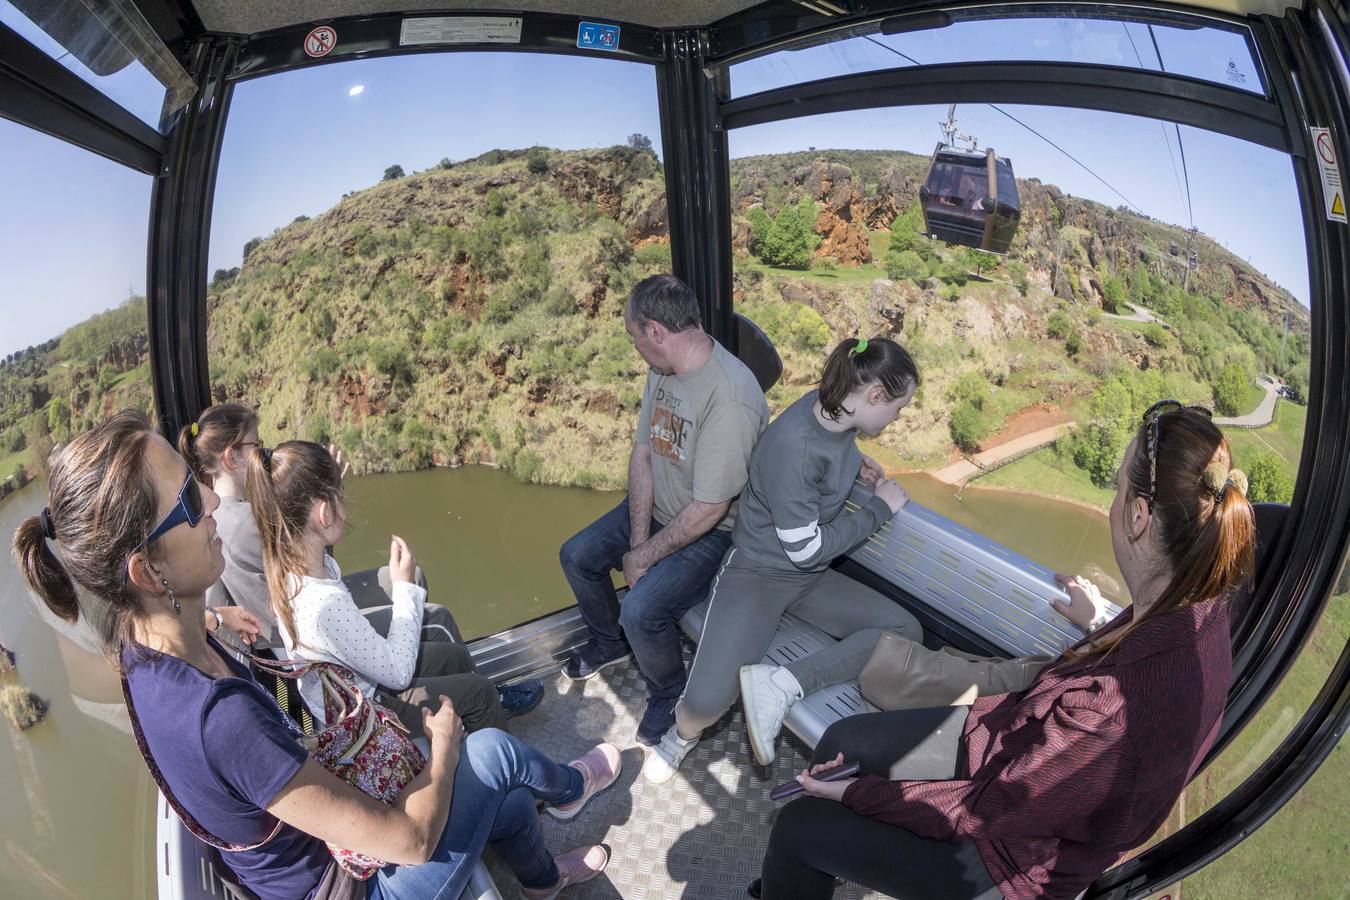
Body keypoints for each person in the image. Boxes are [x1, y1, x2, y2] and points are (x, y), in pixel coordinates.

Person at [11, 410, 622, 900]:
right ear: (145, 571)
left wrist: (217, 614)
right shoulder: (216, 720)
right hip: (358, 883)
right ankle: (572, 785)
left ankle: (544, 881)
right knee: (491, 754)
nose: (215, 503)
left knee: (509, 803)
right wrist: (444, 746)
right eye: (191, 504)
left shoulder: (147, 653)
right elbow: (407, 840)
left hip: (335, 831)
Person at [753, 402, 1253, 899]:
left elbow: (981, 812)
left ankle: (800, 868)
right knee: (843, 745)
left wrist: (859, 797)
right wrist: (1096, 624)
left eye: (1119, 487)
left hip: (1007, 859)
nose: (1114, 502)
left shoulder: (1113, 708)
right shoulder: (1192, 609)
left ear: (1140, 516)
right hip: (1005, 750)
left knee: (799, 829)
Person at [644, 337, 925, 782]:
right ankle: (679, 737)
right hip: (758, 574)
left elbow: (829, 450)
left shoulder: (835, 406)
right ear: (875, 395)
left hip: (809, 578)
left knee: (906, 631)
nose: (897, 418)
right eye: (899, 407)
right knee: (704, 705)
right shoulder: (792, 447)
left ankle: (782, 684)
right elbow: (806, 544)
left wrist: (857, 460)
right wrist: (878, 510)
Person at [180, 402, 542, 716]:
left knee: (410, 585)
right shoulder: (245, 522)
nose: (264, 452)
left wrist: (322, 499)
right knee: (431, 609)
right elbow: (307, 558)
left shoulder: (234, 515)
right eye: (256, 445)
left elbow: (305, 555)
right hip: (307, 630)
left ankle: (452, 686)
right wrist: (324, 498)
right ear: (231, 457)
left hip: (302, 611)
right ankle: (477, 696)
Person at [559, 274, 769, 745]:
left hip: (714, 531)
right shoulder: (663, 372)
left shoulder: (729, 396)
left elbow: (712, 508)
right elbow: (644, 454)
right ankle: (609, 644)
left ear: (655, 331)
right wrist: (638, 545)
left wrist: (647, 558)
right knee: (577, 556)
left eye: (634, 336)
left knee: (640, 611)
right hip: (663, 507)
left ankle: (668, 692)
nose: (635, 347)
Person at [246, 439, 533, 737]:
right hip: (367, 715)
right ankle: (500, 767)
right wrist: (404, 586)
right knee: (480, 693)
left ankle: (470, 735)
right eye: (339, 495)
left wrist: (327, 488)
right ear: (324, 514)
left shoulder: (288, 563)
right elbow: (397, 674)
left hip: (351, 690)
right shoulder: (324, 606)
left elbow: (318, 531)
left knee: (454, 657)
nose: (344, 501)